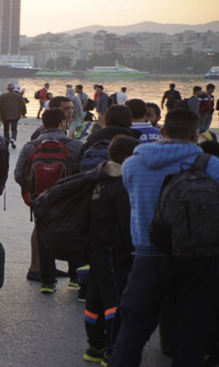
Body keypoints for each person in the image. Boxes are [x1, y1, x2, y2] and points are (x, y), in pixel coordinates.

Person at [110, 109, 219, 366]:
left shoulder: (132, 164)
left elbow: (133, 198)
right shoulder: (211, 165)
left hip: (148, 253)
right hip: (197, 255)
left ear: (162, 131)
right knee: (191, 329)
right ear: (196, 135)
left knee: (133, 329)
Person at [81, 136, 138, 365]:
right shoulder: (121, 185)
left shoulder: (98, 179)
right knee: (115, 298)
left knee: (95, 297)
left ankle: (95, 346)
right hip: (115, 249)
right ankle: (113, 349)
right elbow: (126, 223)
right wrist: (132, 249)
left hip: (95, 244)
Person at [15, 108, 83, 293]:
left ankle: (47, 281)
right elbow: (82, 172)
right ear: (63, 123)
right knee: (73, 233)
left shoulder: (31, 146)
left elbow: (18, 174)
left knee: (44, 236)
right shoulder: (74, 145)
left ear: (43, 124)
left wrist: (33, 191)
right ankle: (75, 278)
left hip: (41, 199)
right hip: (68, 198)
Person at [0, 83, 27, 149]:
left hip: (5, 115)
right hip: (15, 115)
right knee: (14, 129)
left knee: (6, 130)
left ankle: (6, 142)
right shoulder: (19, 96)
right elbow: (23, 106)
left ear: (7, 89)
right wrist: (24, 113)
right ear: (13, 88)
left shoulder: (3, 96)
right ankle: (13, 138)